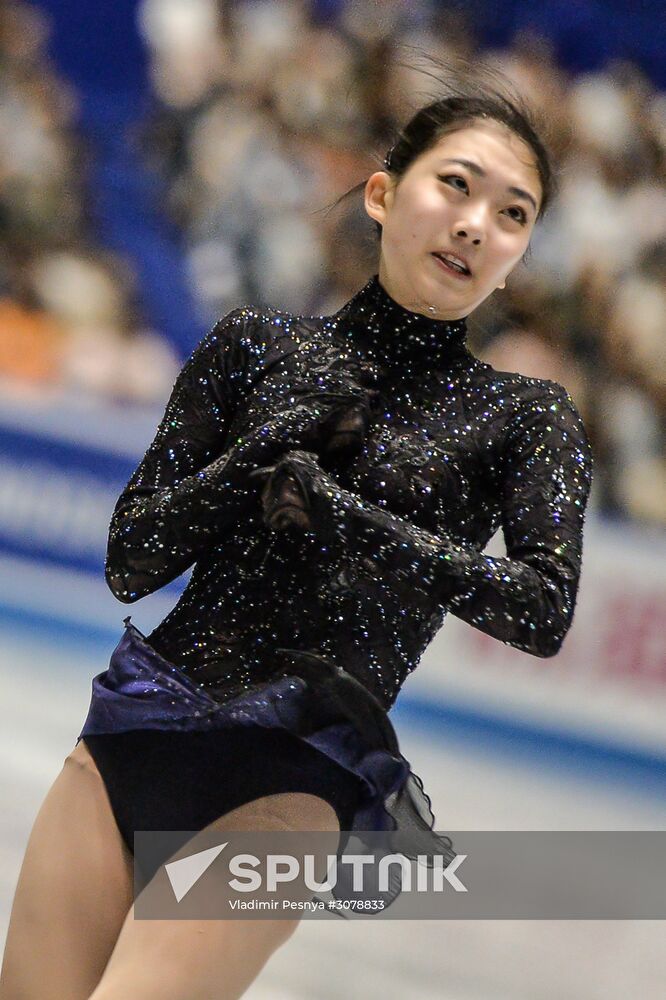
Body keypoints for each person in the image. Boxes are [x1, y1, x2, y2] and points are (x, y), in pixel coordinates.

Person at [0, 78, 593, 999]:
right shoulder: (254, 345)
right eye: (457, 186)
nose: (477, 224)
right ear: (384, 194)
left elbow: (545, 609)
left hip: (289, 784)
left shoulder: (523, 418)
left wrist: (351, 519)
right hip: (128, 744)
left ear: (518, 257)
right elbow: (130, 558)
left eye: (512, 213)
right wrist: (258, 460)